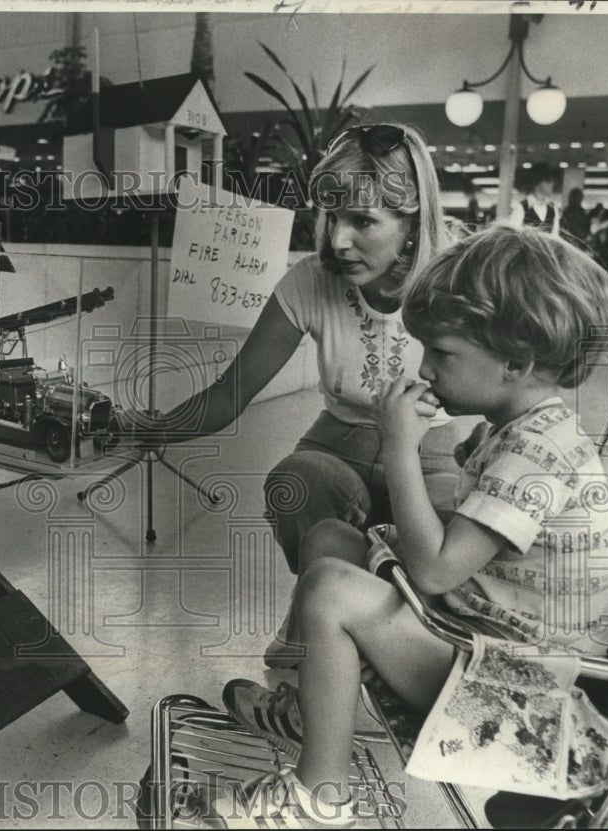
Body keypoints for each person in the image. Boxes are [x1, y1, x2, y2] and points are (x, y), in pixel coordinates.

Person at [214, 225, 608, 827]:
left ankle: (318, 799)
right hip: (491, 639)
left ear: (517, 361)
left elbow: (434, 570)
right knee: (329, 538)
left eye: (443, 353)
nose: (425, 368)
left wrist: (399, 446)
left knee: (329, 587)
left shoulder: (536, 453)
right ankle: (315, 709)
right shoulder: (525, 430)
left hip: (524, 695)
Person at [126, 123, 467, 663]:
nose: (337, 240)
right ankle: (317, 622)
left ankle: (403, 646)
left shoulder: (458, 279)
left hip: (431, 452)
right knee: (297, 481)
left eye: (362, 220)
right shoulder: (311, 280)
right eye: (331, 216)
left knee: (454, 522)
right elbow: (229, 392)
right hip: (338, 444)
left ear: (413, 222)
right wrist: (146, 429)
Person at [508, 162, 560, 235]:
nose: (552, 184)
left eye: (553, 181)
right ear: (537, 182)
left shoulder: (553, 209)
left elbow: (555, 237)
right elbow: (513, 236)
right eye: (548, 181)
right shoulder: (521, 208)